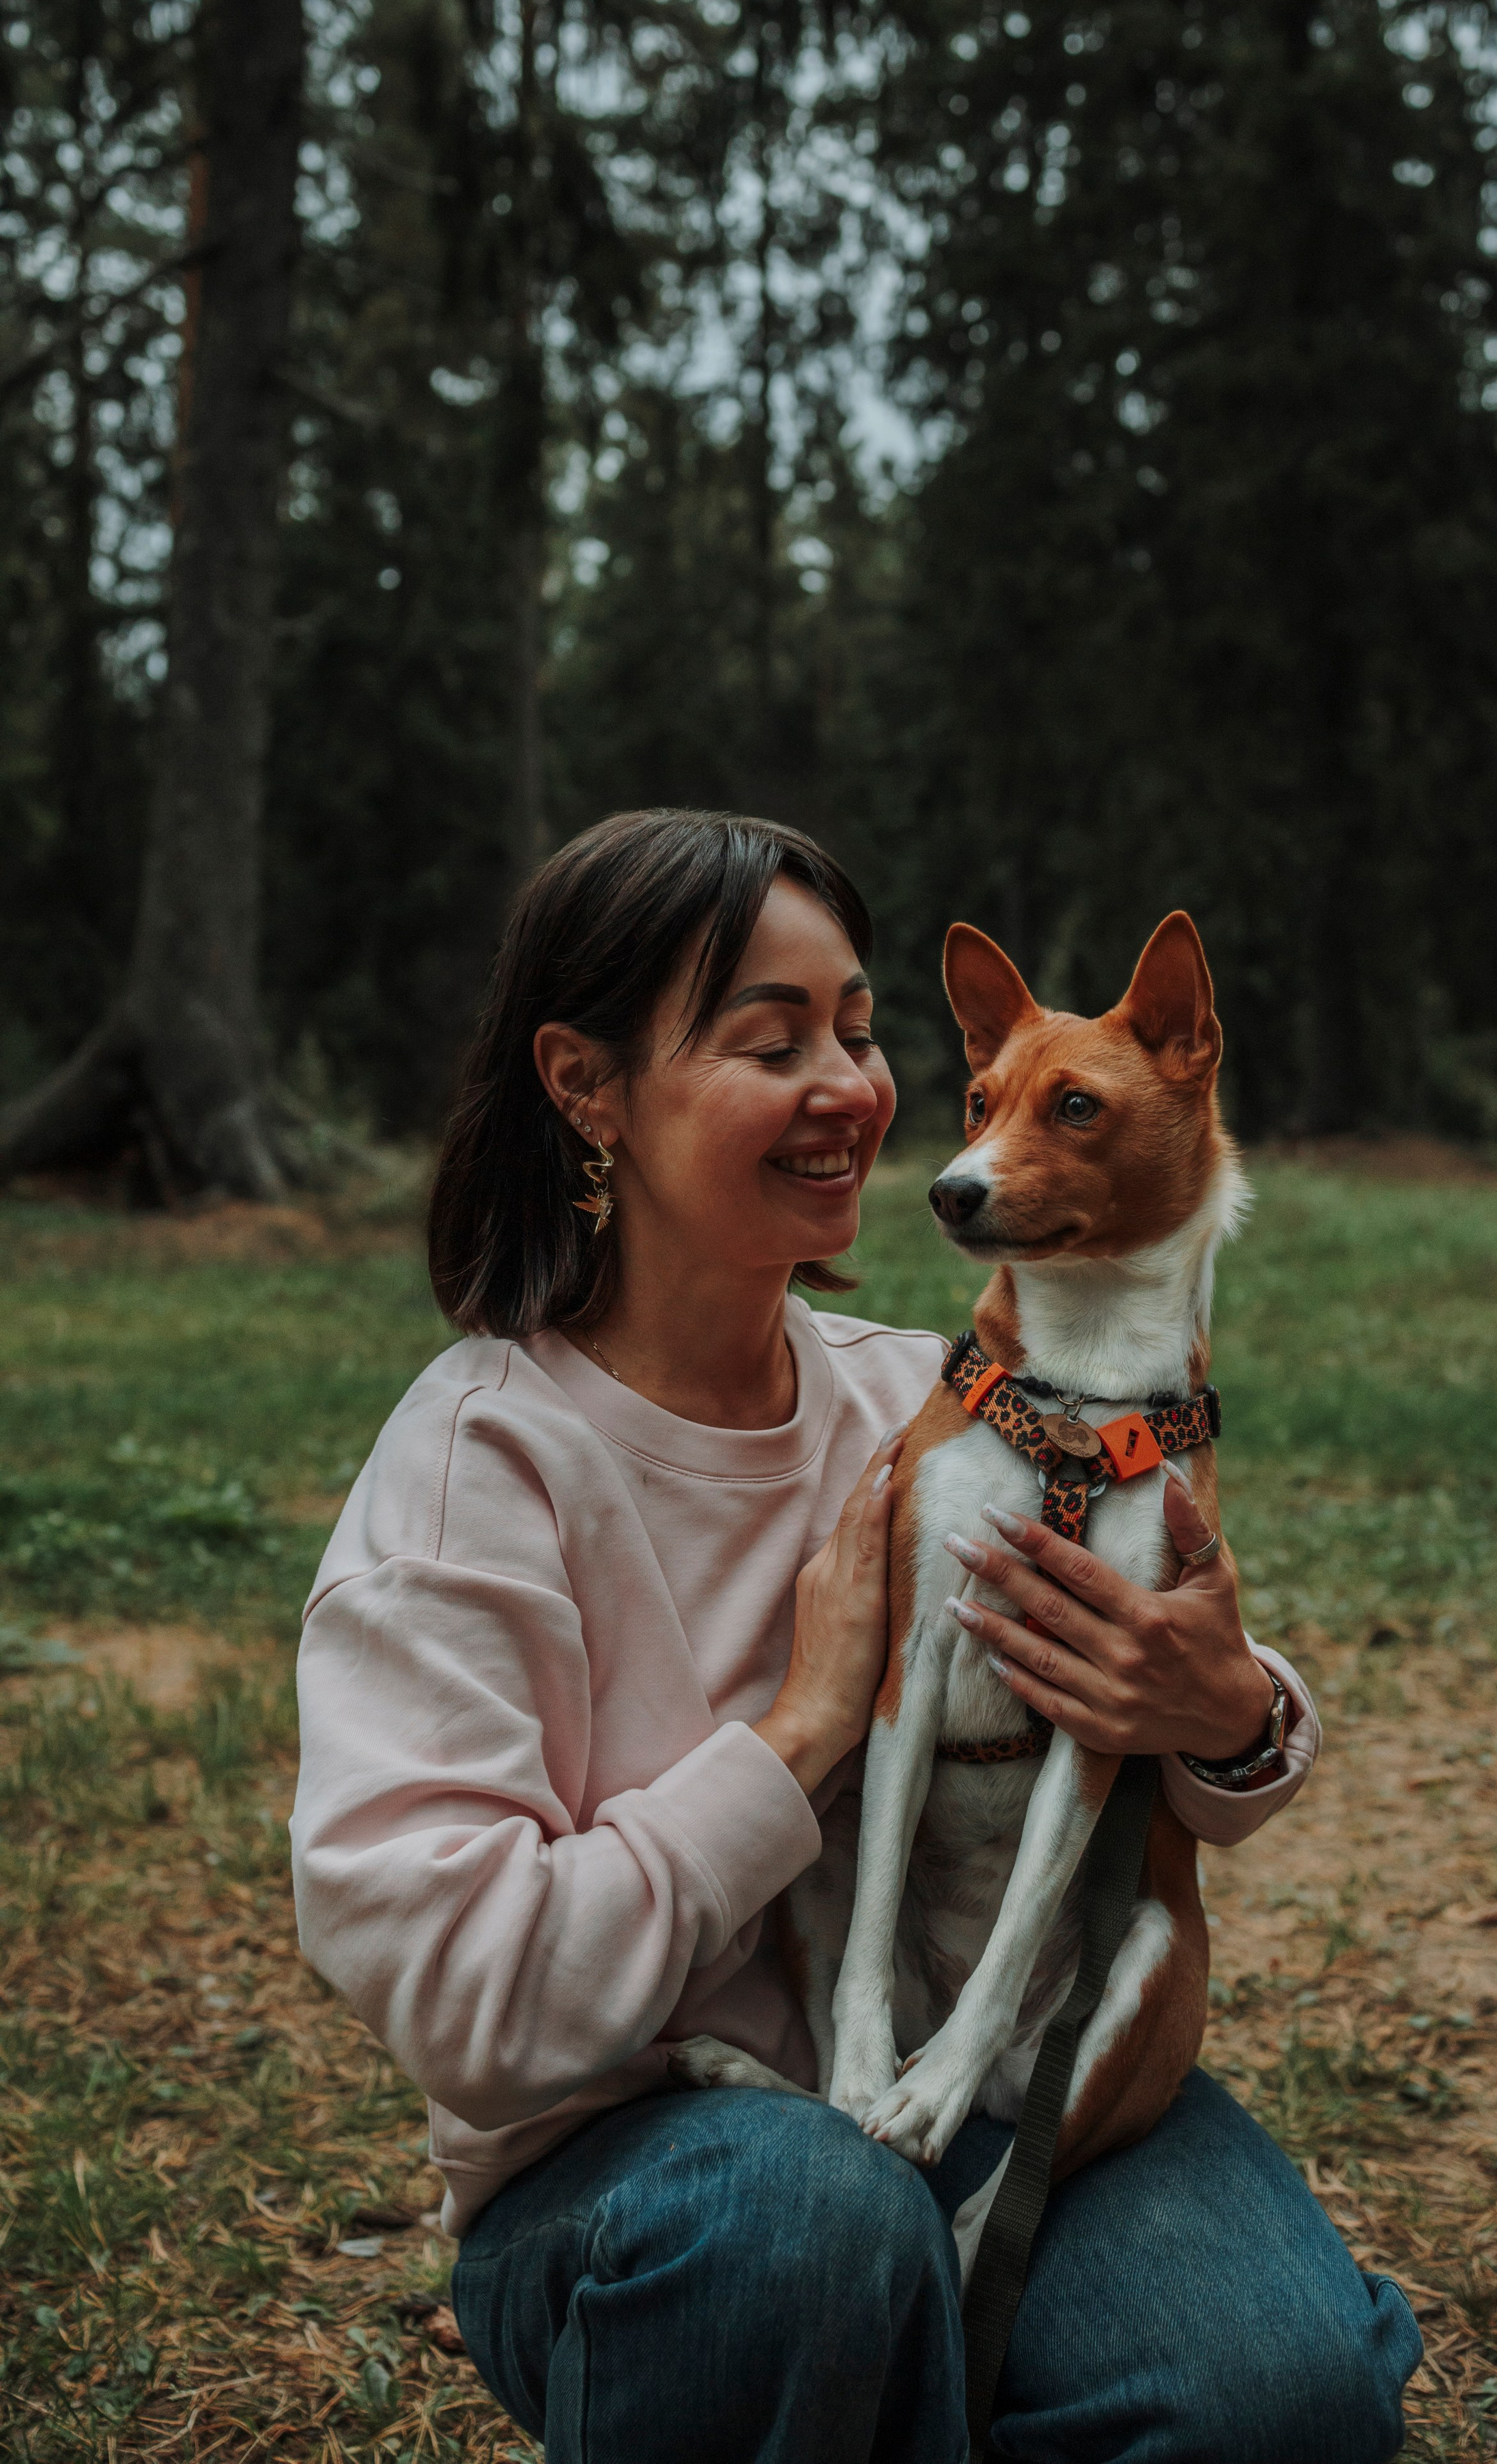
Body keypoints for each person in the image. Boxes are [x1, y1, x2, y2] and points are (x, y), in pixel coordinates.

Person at [291, 808, 1421, 2464]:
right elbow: (469, 2005)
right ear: (585, 1086)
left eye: (860, 1032)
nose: (848, 1088)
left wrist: (1227, 1707)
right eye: (772, 1044)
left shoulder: (937, 1393)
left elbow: (1157, 1731)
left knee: (1280, 2392)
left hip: (981, 2072)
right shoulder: (481, 1470)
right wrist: (804, 1732)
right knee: (823, 2230)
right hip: (654, 2163)